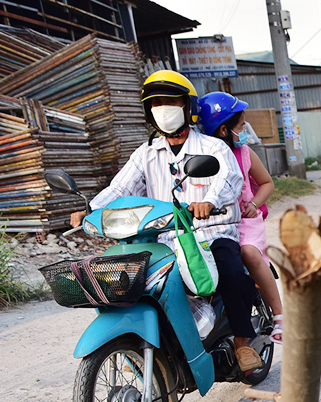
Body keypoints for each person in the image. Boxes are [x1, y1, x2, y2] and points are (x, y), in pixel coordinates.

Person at [71, 70, 263, 372]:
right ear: (149, 112)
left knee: (230, 271)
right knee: (135, 282)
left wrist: (208, 201)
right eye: (157, 103)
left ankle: (242, 342)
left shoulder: (212, 148)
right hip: (166, 238)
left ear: (188, 107)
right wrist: (91, 208)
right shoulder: (146, 154)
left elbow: (229, 178)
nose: (164, 108)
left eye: (171, 101)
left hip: (210, 232)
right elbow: (122, 187)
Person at [196, 91, 283, 343]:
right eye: (241, 126)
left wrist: (255, 203)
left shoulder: (245, 153)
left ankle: (279, 316)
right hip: (213, 224)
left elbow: (267, 182)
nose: (244, 130)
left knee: (248, 253)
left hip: (245, 221)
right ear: (224, 130)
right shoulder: (200, 156)